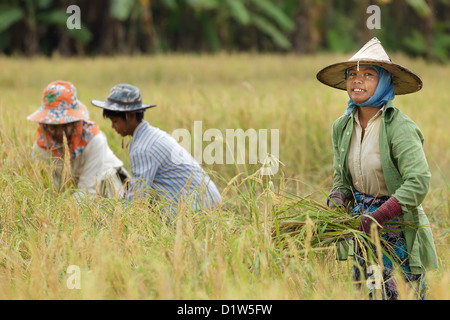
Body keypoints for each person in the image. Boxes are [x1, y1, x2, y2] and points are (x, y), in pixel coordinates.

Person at [316, 38, 438, 299]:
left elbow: (418, 182)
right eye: (352, 74)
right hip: (362, 228)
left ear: (384, 82)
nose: (357, 80)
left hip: (396, 229)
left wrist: (380, 216)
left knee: (399, 293)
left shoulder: (399, 127)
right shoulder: (342, 126)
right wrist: (338, 199)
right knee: (368, 292)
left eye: (368, 75)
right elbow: (342, 179)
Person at [91, 83, 222, 216]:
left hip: (199, 208)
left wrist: (117, 220)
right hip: (207, 200)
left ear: (130, 116)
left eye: (115, 121)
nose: (113, 126)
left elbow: (136, 197)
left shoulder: (143, 148)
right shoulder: (152, 135)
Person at [27, 81, 129, 200]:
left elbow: (88, 191)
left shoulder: (94, 141)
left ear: (75, 122)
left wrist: (64, 212)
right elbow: (48, 191)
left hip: (107, 192)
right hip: (72, 198)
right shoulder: (41, 148)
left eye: (65, 125)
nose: (60, 132)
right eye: (54, 126)